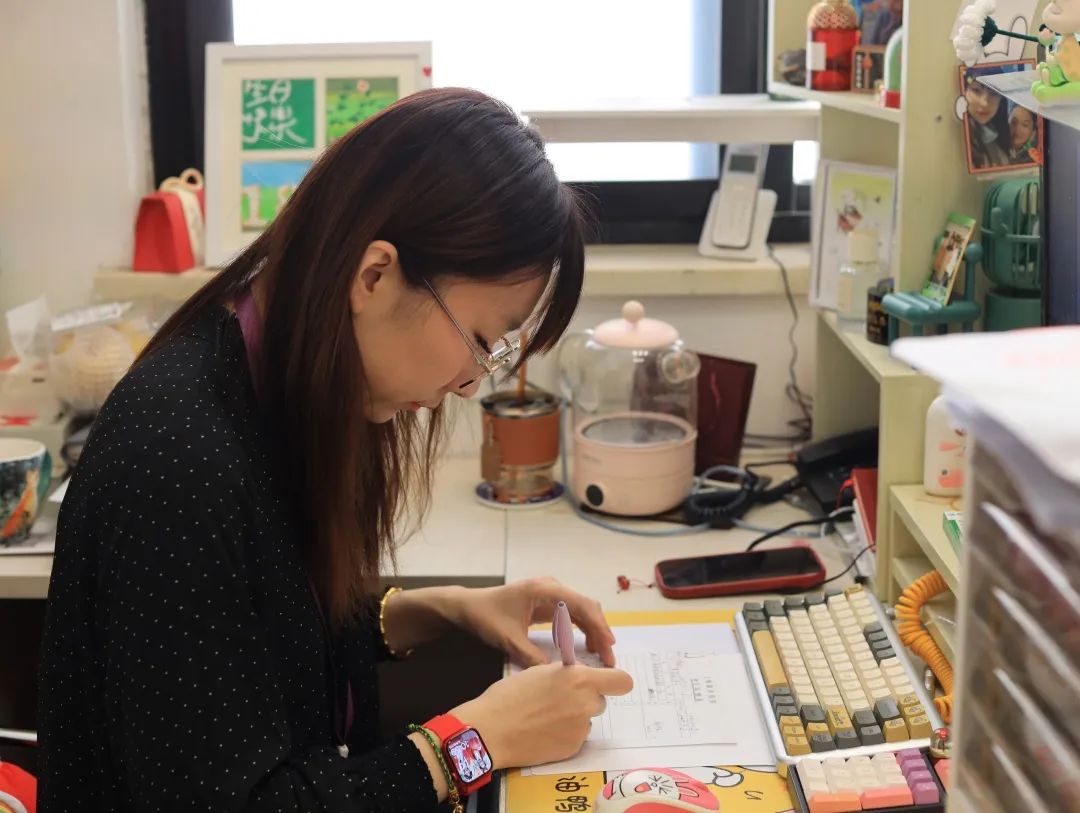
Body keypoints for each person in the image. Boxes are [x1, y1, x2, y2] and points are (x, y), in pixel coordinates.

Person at [38, 87, 633, 811]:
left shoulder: (265, 379)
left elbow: (272, 629)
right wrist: (473, 741)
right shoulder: (179, 461)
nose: (471, 382)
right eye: (480, 340)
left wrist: (444, 609)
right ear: (373, 275)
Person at [964, 73, 1011, 169]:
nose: (984, 103)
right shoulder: (958, 139)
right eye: (976, 90)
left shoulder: (996, 134)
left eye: (993, 93)